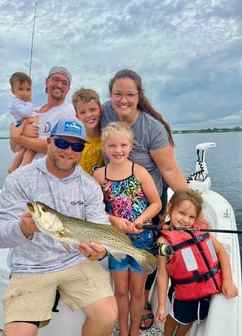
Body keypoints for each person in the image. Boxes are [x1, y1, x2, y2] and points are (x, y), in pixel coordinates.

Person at [0, 117, 118, 336]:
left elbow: (100, 227)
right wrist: (23, 228)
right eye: (62, 143)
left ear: (82, 150)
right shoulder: (20, 179)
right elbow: (0, 236)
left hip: (76, 260)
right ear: (49, 142)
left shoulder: (89, 185)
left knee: (107, 314)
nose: (69, 151)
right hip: (30, 266)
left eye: (77, 146)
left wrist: (101, 252)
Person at [101, 68, 189, 330]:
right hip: (115, 205)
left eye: (130, 94)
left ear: (139, 96)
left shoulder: (153, 128)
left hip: (147, 204)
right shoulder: (105, 111)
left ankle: (145, 301)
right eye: (118, 94)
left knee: (144, 260)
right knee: (120, 272)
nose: (123, 100)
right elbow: (84, 120)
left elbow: (170, 170)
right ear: (110, 95)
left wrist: (189, 204)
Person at [93, 121, 162, 336]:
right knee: (121, 290)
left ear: (131, 146)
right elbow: (94, 211)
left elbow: (156, 203)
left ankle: (134, 330)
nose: (118, 150)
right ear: (104, 147)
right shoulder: (99, 176)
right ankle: (122, 330)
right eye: (112, 146)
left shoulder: (139, 171)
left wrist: (140, 220)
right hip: (115, 240)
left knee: (136, 290)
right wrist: (113, 220)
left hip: (143, 238)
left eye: (123, 145)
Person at [156, 188, 238, 336]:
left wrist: (228, 281)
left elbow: (221, 252)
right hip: (183, 295)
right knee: (176, 318)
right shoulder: (164, 241)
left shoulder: (199, 231)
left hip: (205, 291)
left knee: (189, 320)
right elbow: (162, 273)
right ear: (170, 208)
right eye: (182, 213)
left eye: (191, 216)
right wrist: (161, 305)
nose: (186, 220)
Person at [9, 66, 75, 160]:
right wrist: (20, 133)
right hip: (23, 171)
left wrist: (18, 137)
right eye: (55, 79)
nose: (59, 85)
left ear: (68, 89)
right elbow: (14, 148)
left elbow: (59, 147)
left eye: (64, 83)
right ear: (47, 82)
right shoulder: (32, 112)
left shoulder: (68, 112)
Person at [7, 72, 39, 173]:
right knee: (30, 150)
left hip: (25, 125)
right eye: (21, 89)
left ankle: (13, 168)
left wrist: (34, 111)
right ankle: (24, 170)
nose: (25, 93)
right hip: (23, 125)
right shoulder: (16, 102)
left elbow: (29, 112)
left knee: (24, 150)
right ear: (13, 91)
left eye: (28, 89)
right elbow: (26, 112)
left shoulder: (21, 102)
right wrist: (29, 101)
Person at [72, 88, 104, 175]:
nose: (88, 115)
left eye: (93, 109)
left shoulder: (111, 138)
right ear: (77, 116)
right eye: (82, 112)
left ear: (100, 110)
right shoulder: (77, 147)